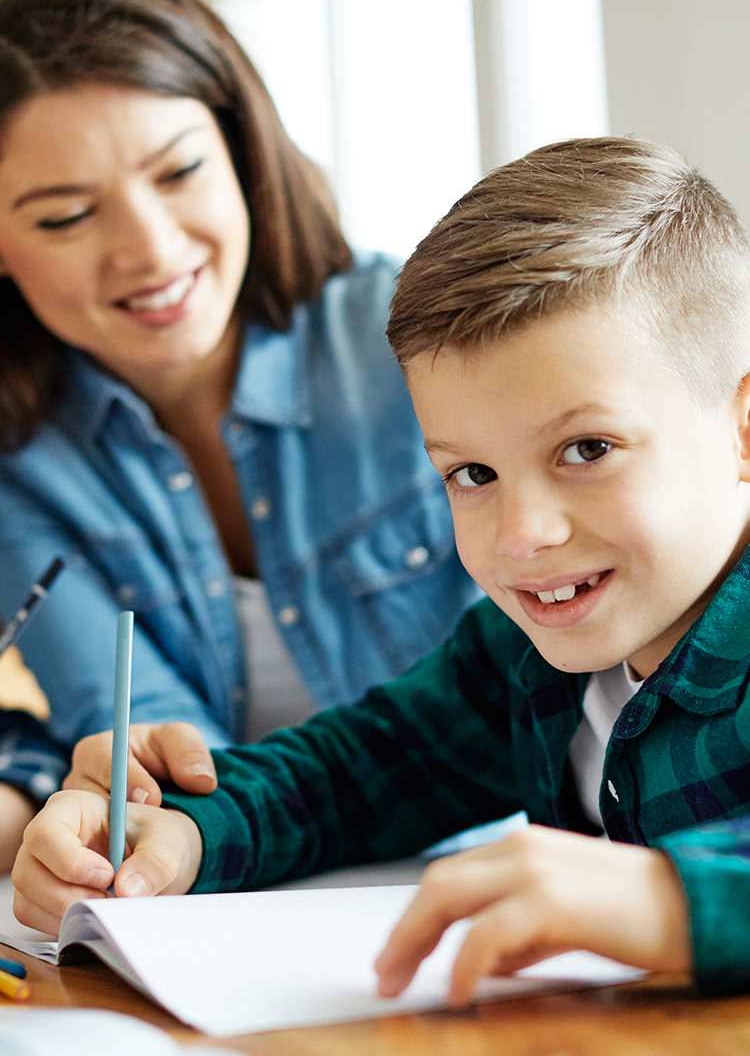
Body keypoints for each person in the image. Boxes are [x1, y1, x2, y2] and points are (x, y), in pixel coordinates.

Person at [16, 136, 750, 1001]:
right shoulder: (513, 654)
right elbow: (355, 774)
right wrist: (180, 834)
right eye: (471, 474)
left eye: (587, 449)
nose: (523, 534)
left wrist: (673, 902)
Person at [0, 0, 478, 806]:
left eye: (180, 172)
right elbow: (160, 761)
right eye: (67, 215)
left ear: (241, 151)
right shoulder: (20, 465)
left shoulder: (419, 338)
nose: (150, 249)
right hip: (240, 886)